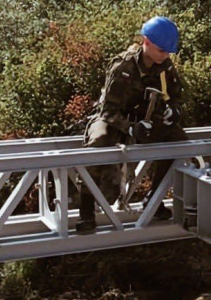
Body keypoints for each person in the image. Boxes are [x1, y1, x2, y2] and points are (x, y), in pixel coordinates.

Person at [76, 16, 187, 233]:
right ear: (146, 42)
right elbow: (107, 110)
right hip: (116, 120)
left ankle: (153, 200)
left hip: (145, 120)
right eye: (161, 51)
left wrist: (174, 111)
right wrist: (128, 128)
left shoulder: (164, 66)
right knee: (99, 141)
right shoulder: (123, 66)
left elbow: (177, 96)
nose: (165, 56)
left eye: (167, 52)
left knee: (178, 141)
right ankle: (86, 211)